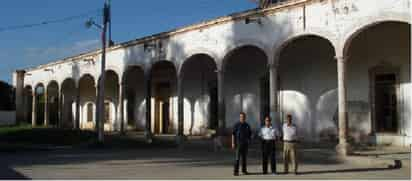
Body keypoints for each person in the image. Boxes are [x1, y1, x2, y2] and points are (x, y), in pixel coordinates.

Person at [232, 112, 252, 176]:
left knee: (244, 158)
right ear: (239, 117)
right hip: (238, 144)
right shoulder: (237, 125)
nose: (242, 118)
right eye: (241, 117)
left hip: (245, 144)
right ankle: (236, 172)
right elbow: (233, 134)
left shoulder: (247, 125)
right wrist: (233, 143)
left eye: (243, 117)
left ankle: (244, 171)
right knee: (237, 158)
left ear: (245, 117)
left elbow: (250, 134)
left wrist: (249, 140)